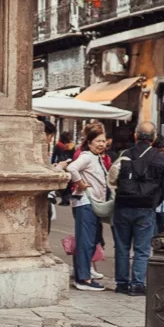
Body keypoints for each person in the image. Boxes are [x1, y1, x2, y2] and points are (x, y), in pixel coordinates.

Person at [107, 121, 164, 296]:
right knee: (142, 248)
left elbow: (112, 179)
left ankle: (121, 282)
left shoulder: (125, 155)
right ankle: (137, 284)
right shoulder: (161, 158)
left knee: (122, 246)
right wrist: (155, 202)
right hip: (146, 206)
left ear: (135, 136)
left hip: (123, 205)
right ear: (154, 138)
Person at [66, 123, 111, 291]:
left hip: (91, 203)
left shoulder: (96, 157)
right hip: (85, 203)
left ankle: (82, 275)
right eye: (98, 141)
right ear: (90, 142)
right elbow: (71, 168)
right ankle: (84, 279)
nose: (101, 144)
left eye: (103, 141)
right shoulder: (86, 156)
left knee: (87, 240)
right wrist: (80, 183)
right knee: (85, 241)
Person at [52, 131, 76, 205]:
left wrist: (52, 163)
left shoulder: (58, 145)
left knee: (62, 181)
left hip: (61, 164)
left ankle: (64, 199)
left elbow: (54, 156)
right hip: (69, 164)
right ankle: (67, 198)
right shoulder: (72, 146)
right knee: (68, 182)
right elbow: (74, 155)